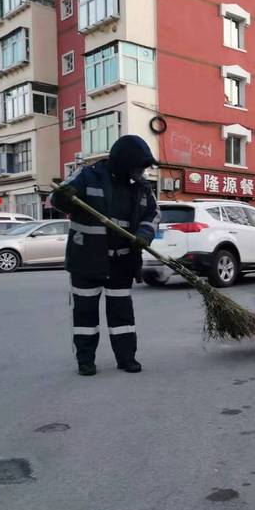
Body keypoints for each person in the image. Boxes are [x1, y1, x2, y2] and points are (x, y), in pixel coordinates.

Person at [51, 135, 160, 376]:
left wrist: (144, 234)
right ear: (123, 163)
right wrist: (63, 197)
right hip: (86, 259)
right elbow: (56, 198)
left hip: (122, 261)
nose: (142, 171)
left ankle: (126, 358)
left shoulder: (141, 186)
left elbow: (153, 215)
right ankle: (85, 361)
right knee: (85, 313)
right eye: (139, 166)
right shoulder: (88, 176)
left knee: (122, 313)